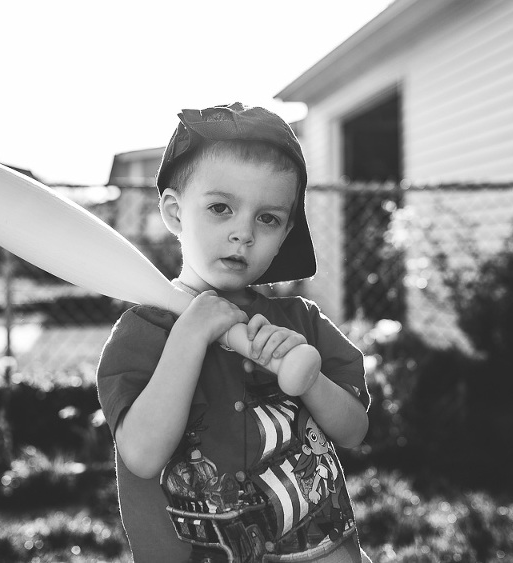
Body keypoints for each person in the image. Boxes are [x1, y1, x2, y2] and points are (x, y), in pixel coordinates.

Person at [96, 103, 372, 562]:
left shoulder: (301, 321)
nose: (243, 232)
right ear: (174, 212)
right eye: (221, 208)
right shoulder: (142, 332)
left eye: (268, 218)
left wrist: (310, 381)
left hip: (315, 547)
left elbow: (354, 430)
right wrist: (189, 337)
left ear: (285, 234)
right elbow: (142, 455)